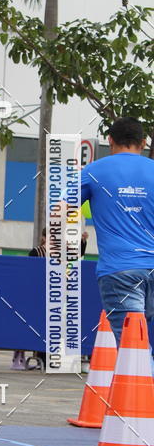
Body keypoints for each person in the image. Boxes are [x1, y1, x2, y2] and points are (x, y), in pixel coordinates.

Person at [81, 116, 154, 351]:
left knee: (134, 351)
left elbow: (60, 206)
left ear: (110, 140)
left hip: (120, 271)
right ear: (143, 143)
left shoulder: (94, 171)